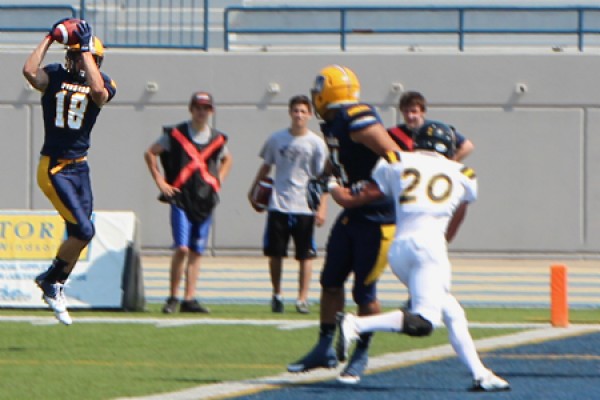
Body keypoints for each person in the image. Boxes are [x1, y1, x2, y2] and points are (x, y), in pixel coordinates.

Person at [332, 122, 510, 392]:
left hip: (399, 247)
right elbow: (458, 216)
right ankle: (356, 324)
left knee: (452, 312)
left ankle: (481, 374)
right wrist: (441, 244)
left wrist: (334, 185)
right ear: (448, 148)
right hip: (429, 248)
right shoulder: (464, 173)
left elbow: (372, 192)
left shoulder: (396, 159)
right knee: (424, 322)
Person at [287, 65, 402, 384]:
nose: (315, 97)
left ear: (329, 91)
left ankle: (361, 354)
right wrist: (323, 177)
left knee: (365, 292)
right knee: (330, 281)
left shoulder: (357, 117)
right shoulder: (335, 122)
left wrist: (367, 191)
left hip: (378, 217)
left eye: (319, 90)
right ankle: (325, 348)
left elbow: (395, 157)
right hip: (354, 216)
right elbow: (337, 157)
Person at [23, 19, 117, 325]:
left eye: (87, 56)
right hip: (54, 167)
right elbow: (28, 72)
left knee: (79, 233)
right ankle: (51, 281)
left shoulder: (103, 82)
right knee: (84, 231)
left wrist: (87, 51)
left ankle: (55, 283)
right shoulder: (53, 75)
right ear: (69, 55)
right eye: (76, 55)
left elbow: (99, 94)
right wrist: (50, 38)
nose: (81, 60)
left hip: (81, 167)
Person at [144, 92, 233, 314]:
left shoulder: (217, 138)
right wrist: (160, 181)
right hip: (180, 198)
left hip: (205, 199)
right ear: (191, 109)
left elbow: (227, 158)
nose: (201, 112)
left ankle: (189, 298)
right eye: (198, 107)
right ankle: (173, 296)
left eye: (206, 108)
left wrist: (218, 180)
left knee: (196, 251)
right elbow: (150, 153)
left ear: (211, 111)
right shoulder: (175, 134)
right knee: (182, 248)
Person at [248, 95, 328, 314]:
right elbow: (266, 167)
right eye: (296, 111)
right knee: (275, 253)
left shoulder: (316, 143)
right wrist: (253, 190)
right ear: (290, 113)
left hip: (305, 205)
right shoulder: (276, 139)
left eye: (303, 111)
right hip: (279, 203)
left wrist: (322, 206)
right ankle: (277, 294)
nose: (299, 115)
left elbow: (323, 177)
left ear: (309, 115)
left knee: (306, 255)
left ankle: (302, 298)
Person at [389, 91, 474, 161]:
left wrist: (450, 163)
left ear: (422, 112)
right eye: (406, 111)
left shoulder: (436, 129)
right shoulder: (394, 133)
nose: (410, 116)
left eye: (414, 111)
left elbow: (467, 146)